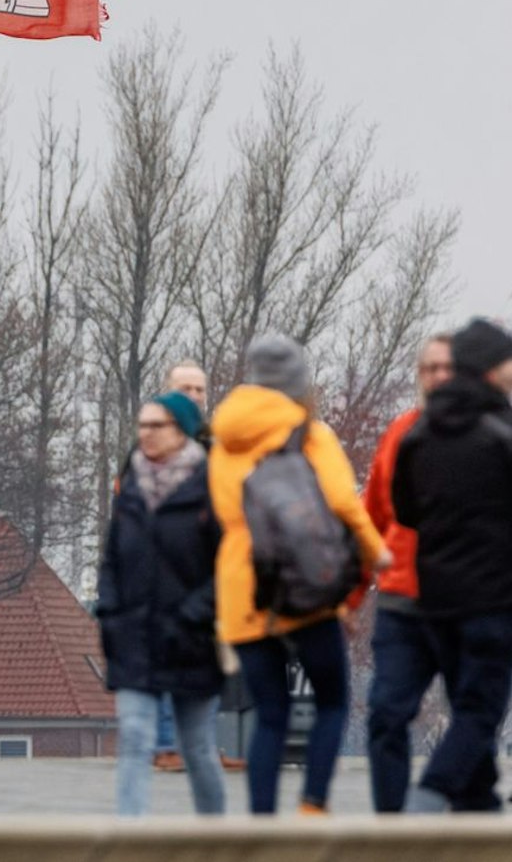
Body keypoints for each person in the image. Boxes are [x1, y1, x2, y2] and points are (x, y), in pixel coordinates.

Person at [210, 334, 388, 815]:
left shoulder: (223, 439)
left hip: (242, 591)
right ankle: (312, 808)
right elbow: (343, 505)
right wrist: (378, 553)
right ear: (297, 382)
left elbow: (217, 514)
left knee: (270, 714)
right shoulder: (310, 433)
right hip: (304, 585)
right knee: (332, 701)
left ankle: (264, 826)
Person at [393, 318, 512, 813]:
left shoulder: (420, 433)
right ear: (490, 368)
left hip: (437, 600)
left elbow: (405, 510)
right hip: (493, 598)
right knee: (480, 711)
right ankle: (428, 798)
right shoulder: (500, 433)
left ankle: (479, 812)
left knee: (466, 703)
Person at [97, 392, 226, 816]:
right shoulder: (130, 486)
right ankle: (129, 846)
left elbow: (228, 566)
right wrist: (110, 611)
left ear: (182, 431)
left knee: (197, 749)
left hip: (192, 640)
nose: (146, 434)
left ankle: (217, 841)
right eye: (143, 425)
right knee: (134, 737)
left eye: (157, 425)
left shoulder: (213, 486)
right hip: (135, 635)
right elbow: (113, 557)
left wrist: (194, 615)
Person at [362, 334, 455, 812]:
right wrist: (349, 593)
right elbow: (371, 516)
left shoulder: (486, 435)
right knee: (386, 714)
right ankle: (393, 829)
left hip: (464, 602)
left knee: (474, 719)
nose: (438, 377)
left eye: (447, 368)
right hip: (403, 600)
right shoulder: (399, 433)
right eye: (429, 368)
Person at [156, 360, 212, 773]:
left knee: (203, 661)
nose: (194, 397)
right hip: (161, 571)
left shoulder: (215, 447)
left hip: (206, 575)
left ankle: (197, 746)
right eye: (185, 389)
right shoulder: (151, 442)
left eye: (199, 390)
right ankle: (164, 745)